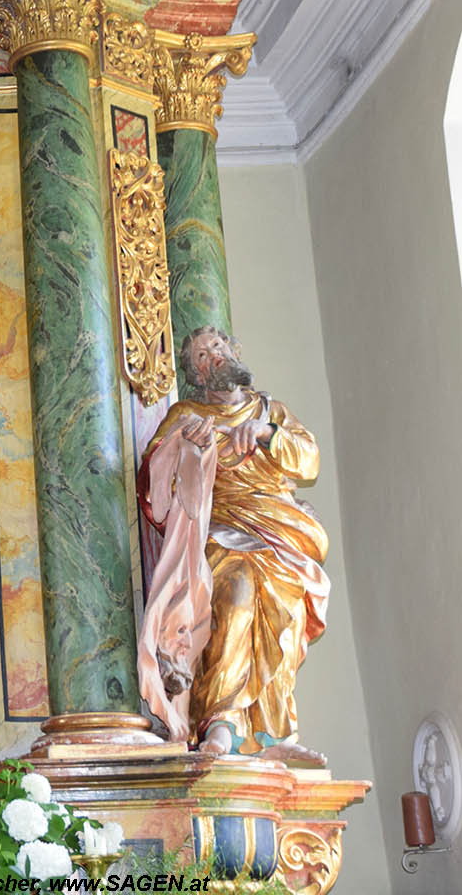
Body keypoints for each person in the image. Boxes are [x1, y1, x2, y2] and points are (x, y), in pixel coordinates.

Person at [137, 326, 330, 764]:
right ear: (198, 377)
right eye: (202, 356)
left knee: (287, 615)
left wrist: (266, 434)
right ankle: (221, 723)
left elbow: (309, 457)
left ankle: (274, 733)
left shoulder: (270, 410)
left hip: (280, 532)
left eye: (219, 348)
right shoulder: (186, 414)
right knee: (237, 593)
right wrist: (189, 448)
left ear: (234, 352)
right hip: (224, 529)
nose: (215, 357)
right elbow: (153, 487)